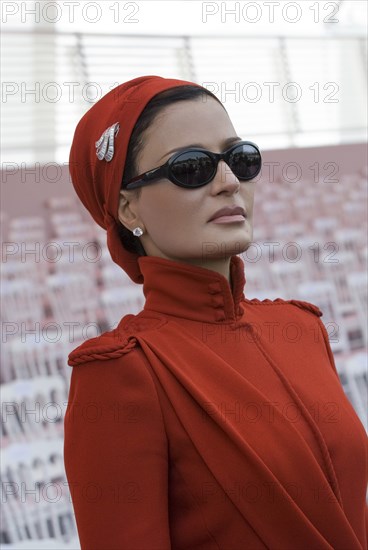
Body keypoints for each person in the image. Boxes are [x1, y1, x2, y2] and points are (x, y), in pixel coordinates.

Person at [64, 75, 368, 549]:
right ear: (127, 208)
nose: (228, 182)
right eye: (191, 168)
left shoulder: (301, 328)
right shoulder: (124, 372)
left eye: (240, 159)